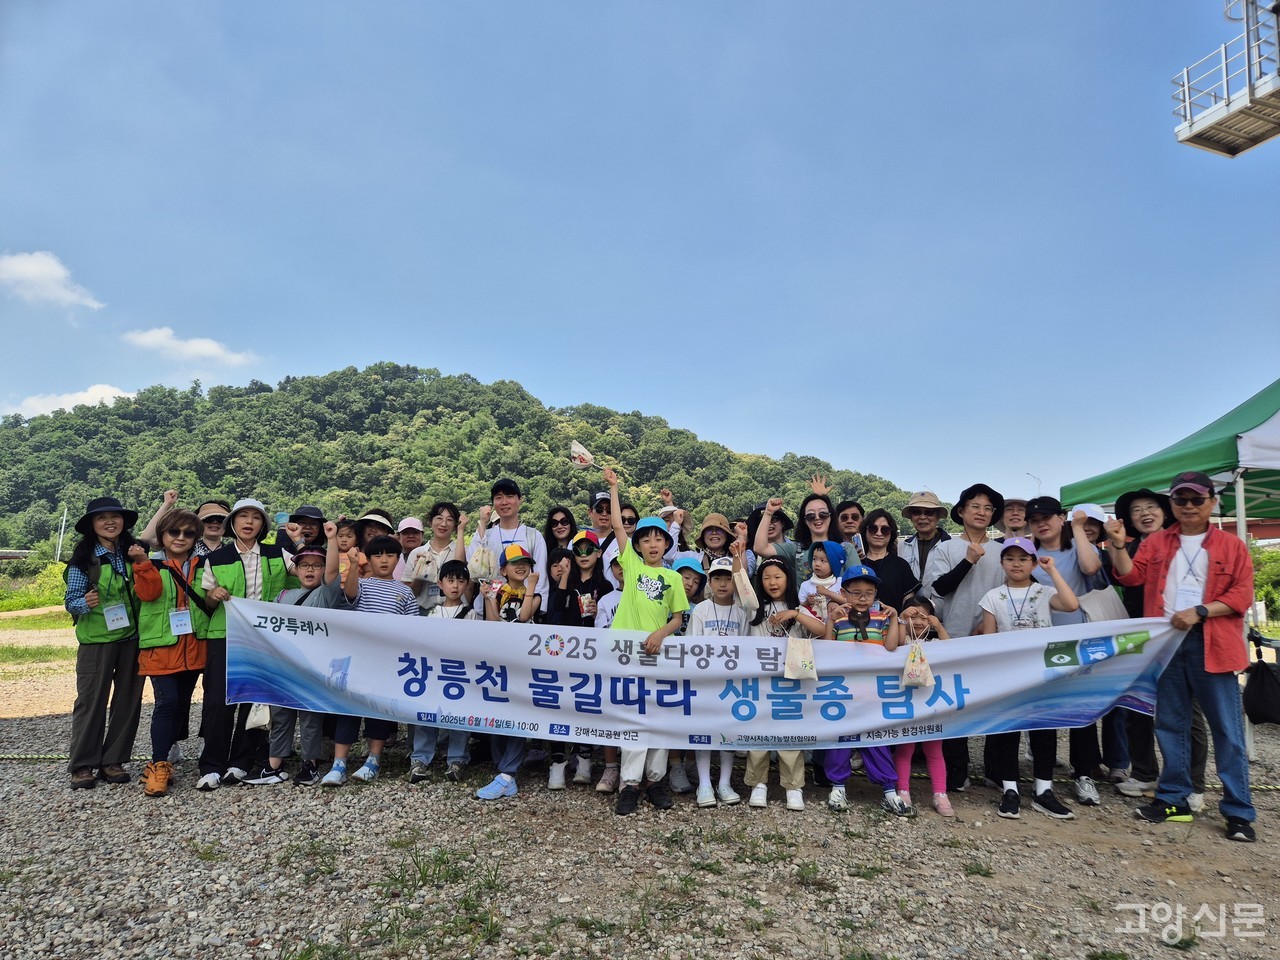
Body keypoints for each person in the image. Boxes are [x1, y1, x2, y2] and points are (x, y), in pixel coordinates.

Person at [1106, 471, 1257, 842]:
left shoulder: (1231, 545)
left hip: (1213, 643)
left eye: (1196, 499)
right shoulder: (1157, 542)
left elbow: (1242, 594)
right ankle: (1174, 799)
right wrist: (1117, 546)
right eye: (1181, 499)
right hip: (1168, 644)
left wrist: (1201, 611)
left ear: (1212, 502)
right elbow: (1130, 577)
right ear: (1172, 503)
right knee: (1170, 724)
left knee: (1227, 730)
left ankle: (1238, 811)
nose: (1188, 506)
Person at [1111, 488, 1209, 806]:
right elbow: (1128, 578)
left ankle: (1193, 783)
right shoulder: (1129, 547)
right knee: (1135, 706)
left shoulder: (1187, 544)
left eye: (1151, 506)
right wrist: (1117, 545)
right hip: (1139, 638)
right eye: (1137, 509)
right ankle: (1143, 773)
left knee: (1186, 713)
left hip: (1182, 637)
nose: (1144, 513)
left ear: (1165, 511)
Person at [603, 466, 688, 815]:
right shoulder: (633, 566)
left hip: (659, 653)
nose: (652, 544)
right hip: (627, 653)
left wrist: (660, 633)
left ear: (667, 544)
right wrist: (614, 488)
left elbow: (678, 618)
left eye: (658, 539)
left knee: (659, 719)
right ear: (637, 546)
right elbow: (618, 526)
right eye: (645, 539)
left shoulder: (673, 577)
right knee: (634, 719)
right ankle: (630, 784)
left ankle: (655, 781)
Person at [977, 538, 1080, 820]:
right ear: (1002, 564)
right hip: (1008, 674)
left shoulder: (1044, 591)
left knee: (1043, 731)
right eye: (1010, 558)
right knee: (1008, 733)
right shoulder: (992, 597)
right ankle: (1010, 789)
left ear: (1034, 562)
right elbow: (988, 637)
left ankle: (1044, 790)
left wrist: (1053, 571)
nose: (1016, 563)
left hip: (1043, 673)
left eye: (1024, 558)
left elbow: (1071, 605)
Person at [199, 498, 296, 790]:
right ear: (233, 523)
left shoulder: (277, 554)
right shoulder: (217, 558)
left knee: (254, 699)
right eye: (243, 516)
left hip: (264, 638)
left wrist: (299, 541)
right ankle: (211, 764)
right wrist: (213, 594)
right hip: (225, 636)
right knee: (217, 701)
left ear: (263, 525)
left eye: (256, 517)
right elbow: (205, 600)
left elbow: (308, 571)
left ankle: (241, 761)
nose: (249, 522)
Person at [249, 522, 346, 787]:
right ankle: (273, 766)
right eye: (305, 565)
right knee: (281, 716)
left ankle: (310, 764)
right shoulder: (284, 595)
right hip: (284, 666)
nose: (310, 570)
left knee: (310, 718)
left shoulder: (327, 594)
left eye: (317, 566)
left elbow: (334, 570)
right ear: (296, 569)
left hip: (313, 667)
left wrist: (333, 538)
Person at [323, 535, 419, 786]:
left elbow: (414, 629)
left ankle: (373, 760)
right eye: (378, 555)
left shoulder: (405, 591)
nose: (384, 560)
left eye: (389, 555)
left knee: (379, 709)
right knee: (348, 708)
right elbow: (351, 595)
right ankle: (339, 763)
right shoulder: (364, 583)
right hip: (357, 658)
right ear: (370, 559)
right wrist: (354, 565)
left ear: (398, 559)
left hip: (387, 661)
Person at [63, 496, 145, 790]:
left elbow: (157, 536)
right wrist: (83, 602)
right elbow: (70, 602)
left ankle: (113, 761)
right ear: (92, 526)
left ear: (124, 522)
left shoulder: (133, 553)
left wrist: (167, 505)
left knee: (128, 702)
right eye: (102, 518)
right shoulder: (83, 560)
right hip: (96, 641)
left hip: (132, 640)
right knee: (91, 702)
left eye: (115, 516)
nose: (110, 522)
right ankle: (83, 765)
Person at [131, 509, 211, 797]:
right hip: (161, 647)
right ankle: (158, 764)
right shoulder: (150, 564)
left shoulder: (203, 565)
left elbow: (210, 602)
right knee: (167, 703)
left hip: (193, 646)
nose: (180, 538)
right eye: (173, 532)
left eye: (188, 533)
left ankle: (168, 752)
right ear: (162, 535)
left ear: (196, 538)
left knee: (181, 703)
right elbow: (148, 594)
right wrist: (141, 565)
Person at [821, 565, 909, 815]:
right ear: (844, 593)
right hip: (843, 691)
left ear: (875, 594)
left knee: (876, 738)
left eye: (869, 593)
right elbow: (827, 648)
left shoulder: (881, 618)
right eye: (856, 592)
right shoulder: (838, 619)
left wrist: (894, 618)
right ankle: (838, 787)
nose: (862, 598)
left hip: (872, 692)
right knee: (841, 739)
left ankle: (889, 790)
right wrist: (830, 619)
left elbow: (892, 646)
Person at [743, 557, 825, 812]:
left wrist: (794, 613)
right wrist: (739, 553)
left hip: (791, 683)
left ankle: (793, 787)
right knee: (758, 734)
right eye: (766, 577)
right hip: (760, 681)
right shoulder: (753, 606)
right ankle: (758, 784)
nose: (772, 582)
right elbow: (740, 581)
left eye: (777, 576)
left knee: (790, 735)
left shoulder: (798, 607)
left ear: (788, 579)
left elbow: (821, 630)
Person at [686, 548, 754, 807]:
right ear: (710, 582)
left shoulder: (741, 612)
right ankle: (704, 784)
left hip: (732, 684)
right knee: (703, 732)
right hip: (705, 682)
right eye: (717, 578)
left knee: (728, 732)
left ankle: (724, 782)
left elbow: (748, 646)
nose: (723, 583)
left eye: (728, 578)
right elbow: (691, 646)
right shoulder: (701, 610)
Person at [409, 559, 481, 785]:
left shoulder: (471, 614)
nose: (455, 586)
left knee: (459, 715)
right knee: (427, 713)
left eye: (461, 581)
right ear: (440, 583)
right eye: (450, 580)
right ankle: (420, 759)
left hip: (460, 672)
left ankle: (457, 759)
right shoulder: (432, 612)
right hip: (434, 671)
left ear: (467, 584)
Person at [895, 596, 955, 817]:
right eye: (913, 616)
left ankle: (940, 793)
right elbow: (898, 643)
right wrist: (901, 621)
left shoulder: (936, 644)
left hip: (931, 706)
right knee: (905, 749)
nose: (918, 621)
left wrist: (939, 627)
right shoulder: (904, 643)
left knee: (934, 750)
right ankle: (903, 790)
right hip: (908, 705)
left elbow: (953, 650)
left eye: (924, 616)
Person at [468, 478, 549, 608]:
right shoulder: (486, 535)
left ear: (520, 499)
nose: (504, 502)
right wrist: (482, 522)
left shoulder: (533, 536)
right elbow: (473, 565)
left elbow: (541, 579)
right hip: (489, 610)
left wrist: (538, 610)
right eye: (499, 497)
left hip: (524, 611)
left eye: (510, 496)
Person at [402, 502, 469, 614]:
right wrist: (419, 573)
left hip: (454, 612)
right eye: (439, 518)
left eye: (449, 520)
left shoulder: (463, 551)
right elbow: (410, 593)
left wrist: (461, 530)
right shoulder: (418, 553)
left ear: (455, 526)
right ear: (430, 522)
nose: (443, 524)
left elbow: (459, 566)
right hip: (423, 612)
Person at [857, 509, 920, 611]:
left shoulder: (900, 565)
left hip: (892, 624)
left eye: (885, 530)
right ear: (865, 531)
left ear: (891, 534)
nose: (878, 533)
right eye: (873, 528)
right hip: (857, 623)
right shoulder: (855, 562)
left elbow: (908, 600)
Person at [899, 492, 950, 588]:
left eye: (929, 512)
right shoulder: (902, 546)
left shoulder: (950, 546)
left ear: (937, 517)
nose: (922, 517)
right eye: (917, 512)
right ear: (911, 517)